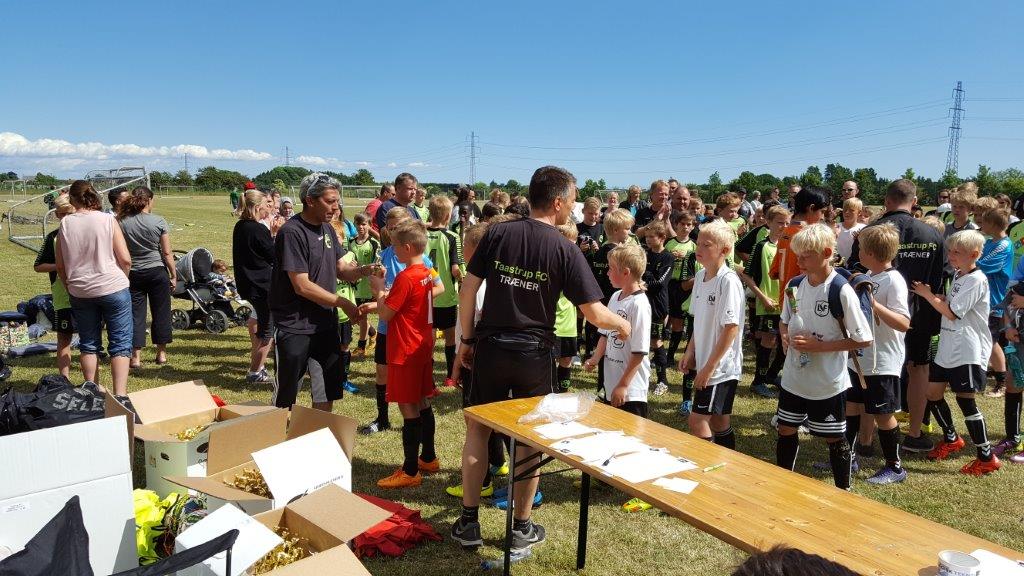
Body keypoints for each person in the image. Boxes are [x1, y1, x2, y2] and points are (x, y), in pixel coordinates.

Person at [451, 166, 631, 553]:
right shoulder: (564, 247)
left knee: (478, 431)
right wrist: (623, 324)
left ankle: (468, 522)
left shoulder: (497, 232)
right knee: (529, 438)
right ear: (558, 202)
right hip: (533, 354)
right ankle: (521, 527)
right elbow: (594, 314)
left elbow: (468, 288)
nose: (573, 208)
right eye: (573, 200)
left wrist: (465, 339)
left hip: (491, 347)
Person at [847, 179, 945, 455]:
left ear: (887, 201)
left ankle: (866, 440)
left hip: (885, 316)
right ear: (914, 202)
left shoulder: (871, 232)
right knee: (918, 369)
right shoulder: (932, 233)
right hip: (922, 312)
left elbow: (855, 272)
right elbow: (939, 279)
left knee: (872, 376)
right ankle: (915, 432)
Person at [777, 224, 872, 490]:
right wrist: (784, 335)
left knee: (834, 438)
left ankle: (844, 491)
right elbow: (784, 320)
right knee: (785, 428)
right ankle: (781, 484)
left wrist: (819, 346)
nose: (799, 261)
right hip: (794, 377)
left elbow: (864, 339)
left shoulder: (840, 290)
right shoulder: (794, 286)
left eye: (805, 256)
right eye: (797, 255)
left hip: (827, 382)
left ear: (827, 253)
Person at [269, 172, 372, 411]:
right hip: (294, 325)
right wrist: (342, 302)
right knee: (286, 396)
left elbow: (341, 269)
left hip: (325, 325)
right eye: (330, 201)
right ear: (310, 200)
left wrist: (365, 270)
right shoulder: (292, 232)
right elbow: (302, 285)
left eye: (337, 201)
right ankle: (279, 433)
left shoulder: (327, 229)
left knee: (326, 390)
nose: (336, 207)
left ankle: (318, 432)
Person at [911, 229, 999, 475]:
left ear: (974, 255)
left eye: (957, 252)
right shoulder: (960, 274)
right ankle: (951, 438)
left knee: (965, 399)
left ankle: (986, 456)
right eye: (950, 251)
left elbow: (952, 313)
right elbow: (952, 305)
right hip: (949, 345)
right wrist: (940, 297)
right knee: (932, 393)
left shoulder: (976, 279)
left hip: (967, 348)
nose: (951, 256)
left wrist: (928, 295)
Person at [365, 219, 439, 489]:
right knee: (422, 400)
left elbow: (385, 314)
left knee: (408, 406)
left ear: (407, 248)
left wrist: (378, 289)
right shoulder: (426, 272)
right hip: (421, 345)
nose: (392, 250)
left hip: (405, 348)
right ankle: (428, 458)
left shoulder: (406, 278)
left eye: (395, 245)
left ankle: (410, 471)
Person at [360, 207, 443, 434]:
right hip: (388, 327)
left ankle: (417, 443)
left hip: (405, 331)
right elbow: (382, 293)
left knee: (411, 395)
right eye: (390, 228)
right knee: (382, 372)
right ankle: (382, 418)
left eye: (398, 227)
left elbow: (439, 287)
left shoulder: (421, 260)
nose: (393, 232)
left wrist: (397, 301)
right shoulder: (384, 255)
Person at [583, 242, 652, 512]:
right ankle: (608, 477)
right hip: (611, 380)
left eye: (611, 269)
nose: (607, 273)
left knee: (633, 435)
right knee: (610, 430)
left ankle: (643, 489)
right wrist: (595, 358)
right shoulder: (614, 297)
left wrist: (624, 385)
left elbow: (640, 351)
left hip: (630, 386)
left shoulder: (640, 304)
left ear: (625, 272)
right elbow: (604, 333)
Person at [445, 222, 511, 499]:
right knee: (492, 417)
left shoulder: (477, 284)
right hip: (490, 360)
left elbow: (470, 326)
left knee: (476, 423)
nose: (462, 255)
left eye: (465, 248)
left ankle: (481, 481)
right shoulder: (496, 279)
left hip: (475, 359)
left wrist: (459, 360)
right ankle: (497, 463)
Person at [844, 224, 911, 484]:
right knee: (851, 406)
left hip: (882, 361)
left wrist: (872, 303)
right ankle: (848, 457)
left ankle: (895, 467)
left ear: (871, 253)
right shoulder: (870, 275)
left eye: (860, 248)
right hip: (860, 360)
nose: (858, 252)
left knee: (883, 414)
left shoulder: (894, 280)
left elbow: (903, 322)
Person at [56, 180, 133, 396]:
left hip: (80, 289)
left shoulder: (66, 223)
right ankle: (121, 395)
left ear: (72, 199)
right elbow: (125, 259)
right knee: (120, 343)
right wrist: (124, 279)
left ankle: (92, 389)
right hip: (113, 286)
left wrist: (68, 284)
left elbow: (60, 265)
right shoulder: (108, 219)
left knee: (88, 343)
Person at [682, 219, 744, 451]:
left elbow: (731, 328)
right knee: (719, 422)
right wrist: (690, 352)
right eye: (698, 243)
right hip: (706, 363)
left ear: (724, 250)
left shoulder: (728, 282)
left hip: (720, 369)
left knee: (697, 421)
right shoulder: (700, 277)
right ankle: (729, 463)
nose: (699, 248)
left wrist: (709, 367)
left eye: (706, 245)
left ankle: (706, 464)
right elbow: (698, 321)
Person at [117, 186, 175, 369]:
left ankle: (136, 357)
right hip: (157, 271)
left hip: (133, 273)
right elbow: (167, 253)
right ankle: (161, 354)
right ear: (149, 200)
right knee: (161, 312)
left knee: (136, 315)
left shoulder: (122, 222)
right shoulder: (158, 221)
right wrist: (174, 275)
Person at [741, 205, 790, 399]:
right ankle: (758, 381)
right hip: (768, 303)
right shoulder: (761, 246)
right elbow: (747, 275)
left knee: (786, 340)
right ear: (768, 223)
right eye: (779, 223)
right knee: (769, 340)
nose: (783, 226)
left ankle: (772, 374)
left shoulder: (790, 245)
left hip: (787, 303)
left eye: (787, 223)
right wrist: (763, 297)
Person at [233, 189, 276, 384]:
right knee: (267, 332)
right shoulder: (258, 229)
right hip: (262, 287)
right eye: (266, 204)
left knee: (259, 324)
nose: (269, 208)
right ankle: (255, 372)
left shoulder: (240, 226)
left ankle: (259, 366)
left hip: (248, 285)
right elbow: (274, 256)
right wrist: (274, 235)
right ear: (258, 207)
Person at [34, 195, 76, 377]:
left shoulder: (90, 231)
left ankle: (92, 381)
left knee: (91, 338)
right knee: (64, 337)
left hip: (89, 294)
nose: (65, 218)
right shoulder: (53, 236)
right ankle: (64, 378)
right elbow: (38, 266)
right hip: (63, 296)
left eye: (69, 213)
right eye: (61, 214)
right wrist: (59, 266)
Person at [426, 195, 463, 386]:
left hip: (426, 296)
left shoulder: (420, 235)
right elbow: (456, 269)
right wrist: (463, 279)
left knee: (429, 339)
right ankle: (450, 377)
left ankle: (428, 379)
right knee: (450, 338)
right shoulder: (452, 237)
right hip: (446, 296)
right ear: (448, 216)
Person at [977, 207, 1013, 398]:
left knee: (991, 342)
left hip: (994, 300)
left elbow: (983, 264)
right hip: (983, 298)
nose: (981, 224)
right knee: (983, 340)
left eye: (984, 221)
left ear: (993, 224)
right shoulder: (990, 242)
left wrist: (966, 261)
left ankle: (1001, 382)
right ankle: (980, 377)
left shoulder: (1003, 245)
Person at [769, 188, 828, 295]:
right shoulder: (809, 236)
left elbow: (774, 273)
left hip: (785, 298)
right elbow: (815, 276)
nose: (822, 217)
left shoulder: (784, 233)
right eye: (822, 212)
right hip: (803, 298)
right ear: (811, 208)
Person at [640, 220, 674, 395]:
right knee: (639, 339)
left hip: (657, 305)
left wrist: (645, 277)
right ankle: (640, 376)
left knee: (656, 341)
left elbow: (660, 283)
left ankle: (662, 381)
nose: (647, 240)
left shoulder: (668, 257)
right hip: (641, 302)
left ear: (662, 238)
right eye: (646, 237)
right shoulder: (644, 254)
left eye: (651, 237)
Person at [665, 211, 697, 372]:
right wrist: (670, 257)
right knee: (664, 317)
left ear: (692, 227)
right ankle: (658, 351)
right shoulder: (669, 243)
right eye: (682, 224)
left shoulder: (694, 246)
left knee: (678, 322)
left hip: (685, 286)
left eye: (688, 224)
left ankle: (670, 355)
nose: (685, 227)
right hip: (668, 284)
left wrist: (686, 259)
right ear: (676, 225)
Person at [349, 213, 380, 358]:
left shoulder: (374, 243)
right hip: (354, 284)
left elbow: (377, 265)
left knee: (361, 316)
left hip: (367, 287)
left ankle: (361, 346)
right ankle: (373, 333)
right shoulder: (351, 242)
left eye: (364, 224)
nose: (361, 227)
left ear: (369, 225)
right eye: (358, 224)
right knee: (357, 316)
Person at [554, 224, 581, 392]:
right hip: (551, 324)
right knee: (549, 361)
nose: (571, 247)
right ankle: (549, 391)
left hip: (569, 324)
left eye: (574, 242)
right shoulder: (549, 261)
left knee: (566, 359)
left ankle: (563, 393)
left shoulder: (575, 263)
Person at [376, 173, 423, 246]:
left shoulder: (413, 211)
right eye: (410, 189)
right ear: (398, 188)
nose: (413, 192)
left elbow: (421, 234)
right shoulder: (386, 208)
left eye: (415, 189)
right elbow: (387, 237)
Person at [836, 198, 865, 264]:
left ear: (859, 212)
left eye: (851, 210)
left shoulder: (863, 229)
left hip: (854, 265)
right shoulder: (836, 227)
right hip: (836, 265)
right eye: (845, 210)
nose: (847, 212)